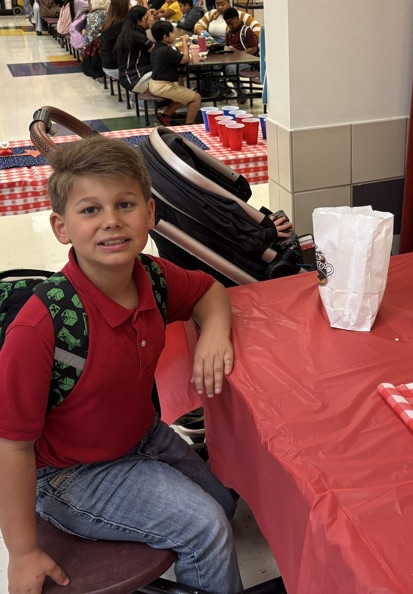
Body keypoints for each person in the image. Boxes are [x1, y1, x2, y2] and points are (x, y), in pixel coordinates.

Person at [0, 135, 244, 594]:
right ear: (61, 227)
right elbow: (11, 447)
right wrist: (23, 552)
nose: (111, 221)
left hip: (141, 435)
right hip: (70, 473)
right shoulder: (42, 328)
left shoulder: (151, 275)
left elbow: (208, 290)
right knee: (206, 529)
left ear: (150, 213)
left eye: (125, 204)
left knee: (224, 507)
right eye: (90, 210)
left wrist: (213, 331)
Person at [148, 20, 201, 125]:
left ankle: (164, 116)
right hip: (164, 86)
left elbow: (173, 59)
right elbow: (186, 59)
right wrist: (185, 44)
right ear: (165, 37)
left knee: (183, 94)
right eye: (172, 33)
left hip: (154, 84)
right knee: (196, 98)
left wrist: (178, 50)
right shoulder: (166, 50)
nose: (174, 35)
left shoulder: (157, 48)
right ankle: (190, 124)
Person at [115, 4, 154, 92]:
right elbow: (158, 51)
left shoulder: (129, 31)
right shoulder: (137, 36)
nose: (150, 20)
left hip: (128, 75)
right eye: (146, 18)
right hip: (135, 78)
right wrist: (152, 28)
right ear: (138, 21)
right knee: (170, 74)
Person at [193, 0, 259, 42]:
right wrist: (202, 32)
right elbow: (198, 25)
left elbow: (256, 26)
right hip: (214, 45)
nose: (220, 7)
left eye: (223, 4)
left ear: (228, 3)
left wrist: (254, 40)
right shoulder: (211, 14)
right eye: (217, 5)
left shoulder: (238, 15)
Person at [99, 0, 130, 80]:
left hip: (107, 64)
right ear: (122, 7)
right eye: (129, 4)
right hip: (116, 66)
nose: (131, 6)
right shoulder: (122, 24)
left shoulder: (108, 21)